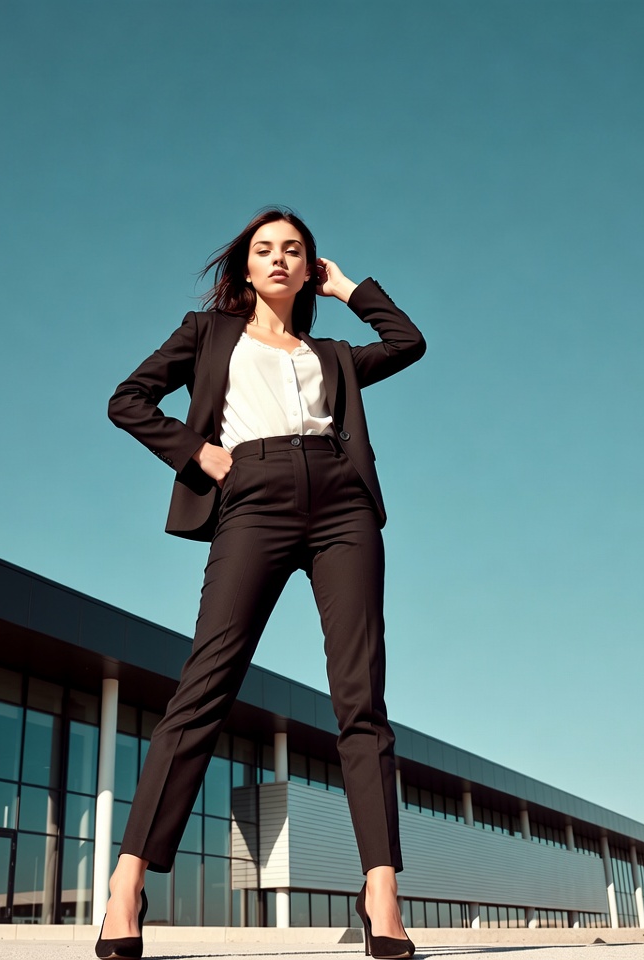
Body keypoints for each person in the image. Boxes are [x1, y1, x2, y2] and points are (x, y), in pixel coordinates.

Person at [98, 208, 425, 960]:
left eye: (295, 251)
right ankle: (128, 881)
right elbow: (129, 399)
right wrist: (199, 455)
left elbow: (408, 342)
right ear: (244, 268)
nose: (279, 259)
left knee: (361, 696)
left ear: (309, 267)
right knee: (205, 685)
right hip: (254, 493)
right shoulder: (208, 334)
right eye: (264, 249)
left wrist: (350, 288)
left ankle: (381, 891)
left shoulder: (335, 353)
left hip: (343, 503)